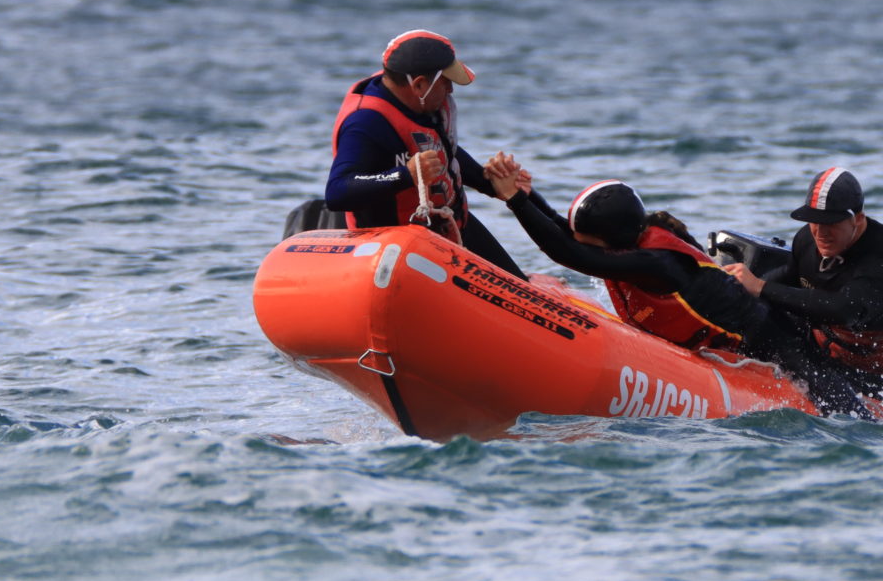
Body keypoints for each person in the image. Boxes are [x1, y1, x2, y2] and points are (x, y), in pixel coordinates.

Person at [485, 158, 763, 353]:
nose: (581, 244)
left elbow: (571, 253)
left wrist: (515, 200)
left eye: (588, 242)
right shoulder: (631, 238)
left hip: (764, 341)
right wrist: (527, 195)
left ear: (610, 242)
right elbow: (568, 237)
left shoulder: (656, 263)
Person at [323, 29, 528, 276]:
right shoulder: (365, 122)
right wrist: (405, 175)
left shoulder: (423, 102)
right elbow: (337, 192)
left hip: (450, 228)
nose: (451, 90)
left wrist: (491, 183)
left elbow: (443, 152)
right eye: (445, 81)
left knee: (517, 284)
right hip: (394, 250)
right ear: (419, 84)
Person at [723, 167, 883, 414]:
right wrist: (736, 289)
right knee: (755, 310)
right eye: (815, 221)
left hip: (868, 373)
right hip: (820, 340)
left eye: (831, 222)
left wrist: (760, 286)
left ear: (858, 219)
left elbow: (842, 310)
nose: (821, 232)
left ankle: (858, 413)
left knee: (769, 316)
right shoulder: (808, 239)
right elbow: (785, 281)